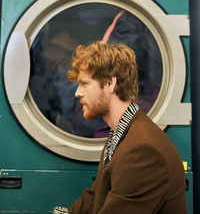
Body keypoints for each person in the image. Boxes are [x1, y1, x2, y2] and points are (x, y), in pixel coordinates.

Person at [53, 41, 187, 214]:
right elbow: (95, 196)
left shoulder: (142, 150)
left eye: (84, 83)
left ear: (110, 83)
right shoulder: (122, 134)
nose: (77, 93)